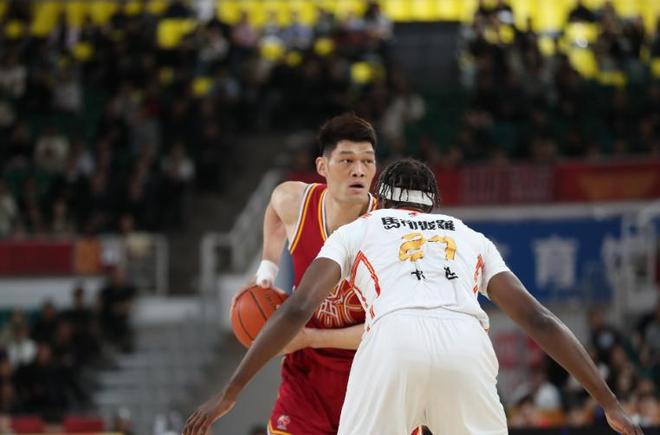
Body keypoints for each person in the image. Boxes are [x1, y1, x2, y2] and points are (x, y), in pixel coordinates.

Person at [183, 158, 643, 435]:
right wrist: (610, 403)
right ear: (434, 205)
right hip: (467, 345)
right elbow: (540, 321)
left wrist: (230, 392)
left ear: (381, 200)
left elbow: (299, 308)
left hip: (393, 343)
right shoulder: (468, 235)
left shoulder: (360, 227)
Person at [234, 113, 381, 434]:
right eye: (347, 160)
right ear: (322, 166)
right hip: (306, 378)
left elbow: (389, 329)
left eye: (367, 161)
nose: (358, 170)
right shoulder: (295, 202)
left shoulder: (389, 230)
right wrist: (267, 267)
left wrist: (310, 337)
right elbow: (274, 207)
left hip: (372, 376)